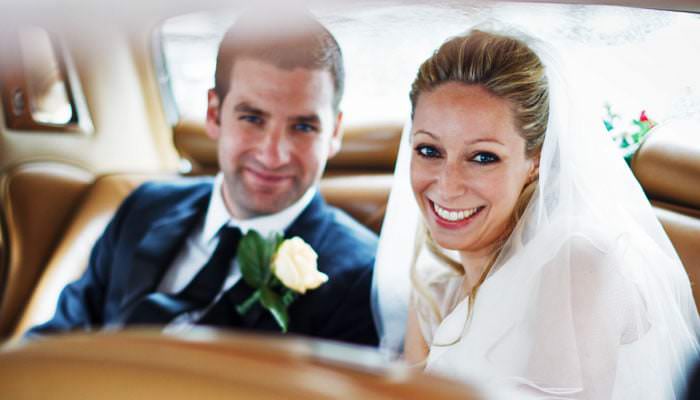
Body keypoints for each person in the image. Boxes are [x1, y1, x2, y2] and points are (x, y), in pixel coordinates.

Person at [376, 28, 700, 398]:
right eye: (429, 151)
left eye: (483, 157)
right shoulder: (437, 284)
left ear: (536, 161)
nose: (448, 185)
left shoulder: (580, 264)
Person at [27, 11, 379, 347]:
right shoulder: (144, 206)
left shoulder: (362, 277)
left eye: (303, 127)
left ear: (334, 132)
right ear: (214, 114)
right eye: (253, 119)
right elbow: (56, 342)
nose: (273, 155)